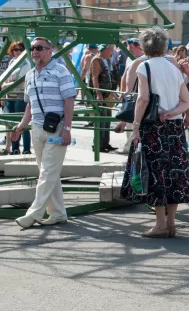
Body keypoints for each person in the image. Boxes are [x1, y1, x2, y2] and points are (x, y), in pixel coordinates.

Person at [121, 27, 189, 237]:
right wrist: (172, 112)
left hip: (153, 127)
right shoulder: (174, 68)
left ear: (145, 46)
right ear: (164, 46)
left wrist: (135, 125)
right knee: (174, 174)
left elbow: (143, 98)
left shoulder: (144, 67)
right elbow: (187, 101)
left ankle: (160, 224)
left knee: (156, 174)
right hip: (174, 127)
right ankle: (171, 223)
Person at [12, 37, 77, 228]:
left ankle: (34, 213)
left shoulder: (60, 71)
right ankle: (58, 213)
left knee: (47, 172)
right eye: (32, 48)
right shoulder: (30, 74)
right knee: (48, 172)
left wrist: (67, 129)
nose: (34, 52)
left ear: (50, 50)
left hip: (56, 128)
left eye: (39, 48)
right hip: (37, 128)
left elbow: (69, 100)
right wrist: (22, 124)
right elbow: (29, 104)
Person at [2, 41, 31, 155]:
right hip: (10, 97)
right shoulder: (12, 62)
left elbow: (22, 82)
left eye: (20, 49)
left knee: (22, 124)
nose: (17, 52)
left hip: (20, 97)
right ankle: (15, 148)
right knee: (12, 123)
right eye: (15, 49)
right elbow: (9, 78)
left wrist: (5, 85)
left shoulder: (26, 63)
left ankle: (26, 149)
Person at [91, 44, 118, 152]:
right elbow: (95, 77)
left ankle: (105, 143)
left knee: (106, 120)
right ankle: (98, 145)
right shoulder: (96, 60)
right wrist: (98, 93)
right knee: (101, 120)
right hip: (101, 94)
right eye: (111, 50)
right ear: (105, 49)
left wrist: (114, 93)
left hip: (107, 94)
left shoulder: (107, 60)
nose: (112, 52)